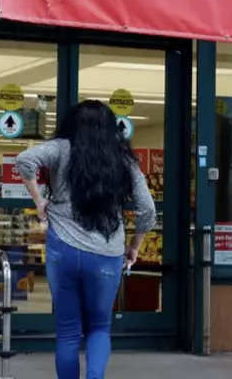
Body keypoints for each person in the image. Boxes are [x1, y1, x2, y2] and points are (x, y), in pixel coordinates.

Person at [16, 100, 156, 379]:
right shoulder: (124, 160)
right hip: (107, 252)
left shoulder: (61, 149)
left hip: (63, 249)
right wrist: (134, 247)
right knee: (99, 327)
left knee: (68, 331)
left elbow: (24, 160)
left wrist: (39, 200)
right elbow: (148, 209)